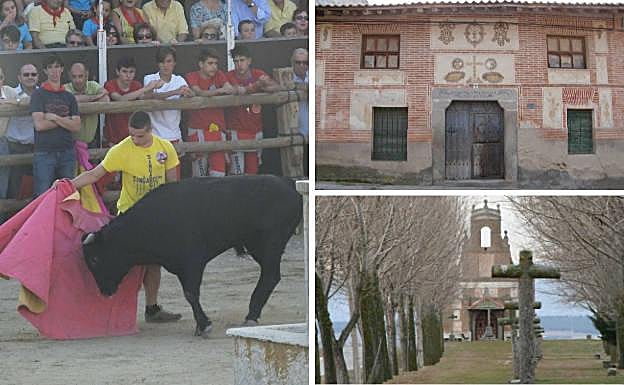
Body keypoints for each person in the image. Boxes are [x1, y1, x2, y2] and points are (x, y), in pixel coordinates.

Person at [68, 110, 182, 323]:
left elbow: (172, 186)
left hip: (156, 217)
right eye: (132, 135)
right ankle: (117, 311)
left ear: (150, 130)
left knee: (153, 263)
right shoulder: (121, 149)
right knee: (124, 263)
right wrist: (68, 185)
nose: (135, 140)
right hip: (129, 215)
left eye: (140, 136)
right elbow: (94, 174)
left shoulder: (165, 148)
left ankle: (152, 308)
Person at [225, 45, 281, 175]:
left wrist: (263, 86)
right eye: (236, 61)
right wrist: (257, 86)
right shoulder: (229, 76)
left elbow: (276, 87)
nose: (239, 64)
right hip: (235, 130)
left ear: (249, 61)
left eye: (242, 60)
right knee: (236, 173)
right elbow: (238, 90)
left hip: (255, 130)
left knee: (253, 172)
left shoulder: (258, 73)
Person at [30, 54, 80, 196]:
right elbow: (39, 125)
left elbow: (76, 126)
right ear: (45, 71)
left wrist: (55, 118)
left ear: (62, 69)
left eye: (57, 66)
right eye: (50, 67)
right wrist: (66, 120)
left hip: (67, 151)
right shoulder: (38, 95)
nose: (54, 71)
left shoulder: (69, 96)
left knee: (68, 194)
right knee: (43, 194)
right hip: (44, 152)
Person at [143, 46, 193, 178]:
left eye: (169, 61)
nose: (165, 65)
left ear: (174, 63)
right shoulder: (150, 79)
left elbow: (190, 94)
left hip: (174, 137)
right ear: (157, 64)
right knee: (156, 179)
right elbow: (150, 96)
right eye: (162, 62)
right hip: (155, 137)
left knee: (174, 179)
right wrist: (176, 92)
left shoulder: (179, 80)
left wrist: (188, 93)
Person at [185, 48, 233, 177]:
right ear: (201, 64)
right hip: (198, 131)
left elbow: (230, 89)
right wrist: (219, 91)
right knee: (199, 178)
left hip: (218, 131)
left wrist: (219, 91)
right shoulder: (191, 76)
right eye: (210, 63)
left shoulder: (220, 75)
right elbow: (199, 92)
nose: (214, 67)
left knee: (219, 176)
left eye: (216, 63)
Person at [104, 56, 163, 145]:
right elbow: (121, 99)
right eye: (124, 71)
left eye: (131, 72)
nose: (128, 75)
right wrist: (146, 88)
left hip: (133, 137)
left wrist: (152, 87)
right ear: (117, 71)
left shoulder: (137, 85)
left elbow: (144, 98)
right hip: (113, 137)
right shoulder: (110, 84)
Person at [5, 63, 38, 198]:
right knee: (14, 189)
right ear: (19, 77)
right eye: (26, 74)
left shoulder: (42, 93)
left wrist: (16, 101)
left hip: (37, 147)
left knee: (37, 187)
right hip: (14, 147)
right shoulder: (9, 93)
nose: (30, 77)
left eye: (33, 74)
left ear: (38, 76)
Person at [64, 62, 109, 147]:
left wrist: (81, 103)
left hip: (91, 142)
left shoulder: (93, 85)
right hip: (70, 144)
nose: (77, 80)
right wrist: (95, 97)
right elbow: (71, 100)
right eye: (74, 76)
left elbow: (106, 99)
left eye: (80, 76)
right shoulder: (65, 88)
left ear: (86, 75)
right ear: (69, 76)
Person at [292, 48, 307, 176]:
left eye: (305, 62)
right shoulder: (286, 79)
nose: (302, 65)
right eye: (298, 62)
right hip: (296, 134)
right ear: (292, 63)